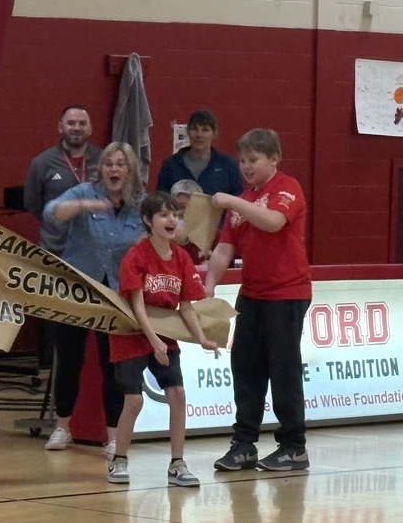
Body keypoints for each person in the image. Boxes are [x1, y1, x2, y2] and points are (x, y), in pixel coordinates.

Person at [204, 128, 312, 472]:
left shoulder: (287, 188)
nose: (246, 167)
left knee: (283, 370)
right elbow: (223, 249)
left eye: (253, 160)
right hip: (251, 295)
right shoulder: (241, 201)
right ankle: (245, 443)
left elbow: (273, 222)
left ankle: (294, 446)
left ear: (273, 160)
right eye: (242, 160)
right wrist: (208, 287)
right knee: (246, 369)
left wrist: (233, 201)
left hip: (287, 293)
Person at [108, 192, 218, 486]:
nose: (172, 220)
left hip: (165, 336)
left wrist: (201, 339)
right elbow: (137, 306)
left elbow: (187, 307)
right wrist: (153, 341)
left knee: (178, 395)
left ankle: (177, 463)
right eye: (164, 215)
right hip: (132, 334)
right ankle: (119, 459)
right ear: (148, 220)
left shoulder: (181, 258)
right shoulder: (136, 256)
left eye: (176, 215)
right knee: (133, 400)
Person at [42, 142, 144, 458]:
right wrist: (85, 205)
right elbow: (51, 213)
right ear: (102, 169)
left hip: (115, 294)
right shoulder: (84, 191)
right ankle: (62, 426)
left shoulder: (140, 204)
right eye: (109, 164)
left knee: (111, 363)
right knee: (68, 357)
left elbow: (176, 230)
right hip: (77, 290)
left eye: (121, 164)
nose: (114, 169)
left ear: (130, 171)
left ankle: (113, 435)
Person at [24, 105, 102, 256]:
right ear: (60, 127)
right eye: (71, 123)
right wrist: (56, 218)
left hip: (95, 249)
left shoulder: (103, 160)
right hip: (56, 248)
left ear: (90, 128)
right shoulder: (42, 163)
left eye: (82, 123)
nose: (77, 128)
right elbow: (32, 203)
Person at [155, 109, 242, 197]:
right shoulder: (171, 165)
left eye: (205, 130)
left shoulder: (228, 165)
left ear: (214, 134)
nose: (199, 135)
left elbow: (238, 202)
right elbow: (160, 203)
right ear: (188, 132)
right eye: (194, 129)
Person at [169, 179, 211, 268]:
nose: (185, 213)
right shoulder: (163, 236)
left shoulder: (213, 235)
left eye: (191, 207)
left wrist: (214, 264)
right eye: (180, 207)